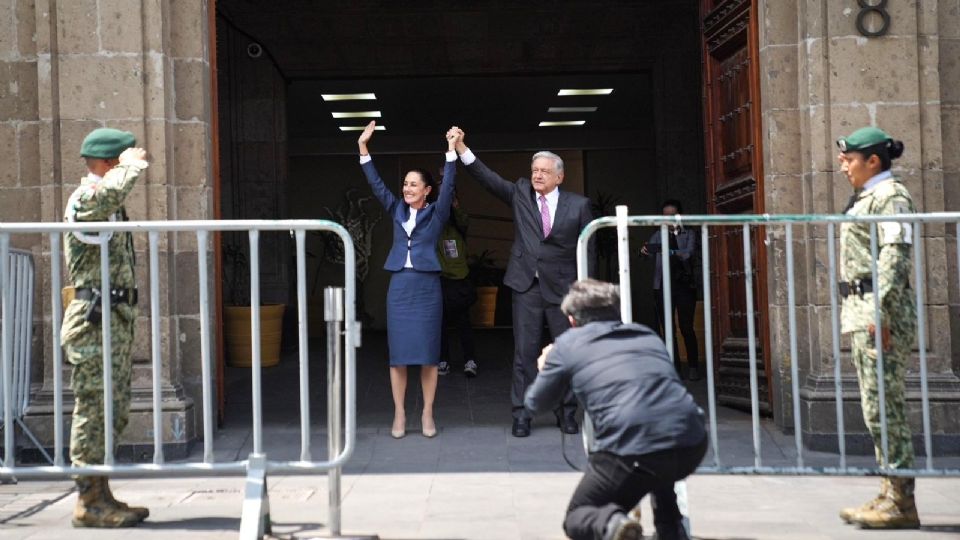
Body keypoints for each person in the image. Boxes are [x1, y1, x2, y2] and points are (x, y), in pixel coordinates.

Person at [524, 279, 706, 540]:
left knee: (577, 516)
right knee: (658, 458)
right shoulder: (646, 335)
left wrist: (547, 367)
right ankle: (671, 529)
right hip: (691, 441)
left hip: (631, 447)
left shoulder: (567, 345)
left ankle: (613, 525)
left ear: (573, 320)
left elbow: (535, 404)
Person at [451, 126, 594, 437]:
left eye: (544, 171)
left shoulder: (579, 205)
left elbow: (588, 252)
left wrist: (584, 296)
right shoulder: (519, 193)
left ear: (560, 177)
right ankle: (522, 414)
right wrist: (463, 149)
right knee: (524, 354)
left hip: (564, 290)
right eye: (534, 170)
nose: (538, 175)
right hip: (525, 286)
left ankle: (567, 412)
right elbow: (487, 179)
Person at [61, 128, 150, 527]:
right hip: (92, 323)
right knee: (94, 409)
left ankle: (102, 494)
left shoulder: (107, 202)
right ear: (113, 163)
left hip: (112, 322)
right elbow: (106, 195)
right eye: (125, 158)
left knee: (112, 411)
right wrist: (130, 168)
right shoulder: (86, 199)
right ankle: (88, 501)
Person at [836, 126, 919, 529]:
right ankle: (890, 491)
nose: (843, 166)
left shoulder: (891, 196)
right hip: (863, 308)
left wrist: (880, 315)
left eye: (849, 159)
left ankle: (901, 501)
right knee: (875, 408)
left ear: (873, 160)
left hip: (878, 311)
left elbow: (894, 258)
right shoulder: (869, 195)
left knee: (885, 408)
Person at [358, 121, 457, 439]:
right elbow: (376, 185)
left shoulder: (438, 213)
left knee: (429, 356)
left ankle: (428, 413)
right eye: (405, 184)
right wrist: (364, 148)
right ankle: (399, 413)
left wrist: (452, 152)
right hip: (400, 286)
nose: (408, 189)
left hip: (427, 288)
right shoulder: (396, 209)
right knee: (398, 356)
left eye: (415, 185)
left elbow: (450, 186)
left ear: (427, 190)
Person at [640, 199, 700, 380]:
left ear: (678, 216)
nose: (668, 219)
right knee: (668, 330)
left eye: (671, 215)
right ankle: (674, 368)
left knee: (686, 327)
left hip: (684, 286)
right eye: (664, 216)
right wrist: (644, 250)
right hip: (662, 286)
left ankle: (693, 366)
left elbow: (688, 253)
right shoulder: (658, 234)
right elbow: (647, 253)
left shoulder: (688, 233)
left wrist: (670, 250)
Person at [434, 172, 479, 378]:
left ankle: (470, 360)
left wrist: (453, 199)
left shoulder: (459, 223)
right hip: (439, 279)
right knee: (439, 323)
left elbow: (462, 217)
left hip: (459, 279)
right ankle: (443, 360)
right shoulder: (434, 221)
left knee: (463, 322)